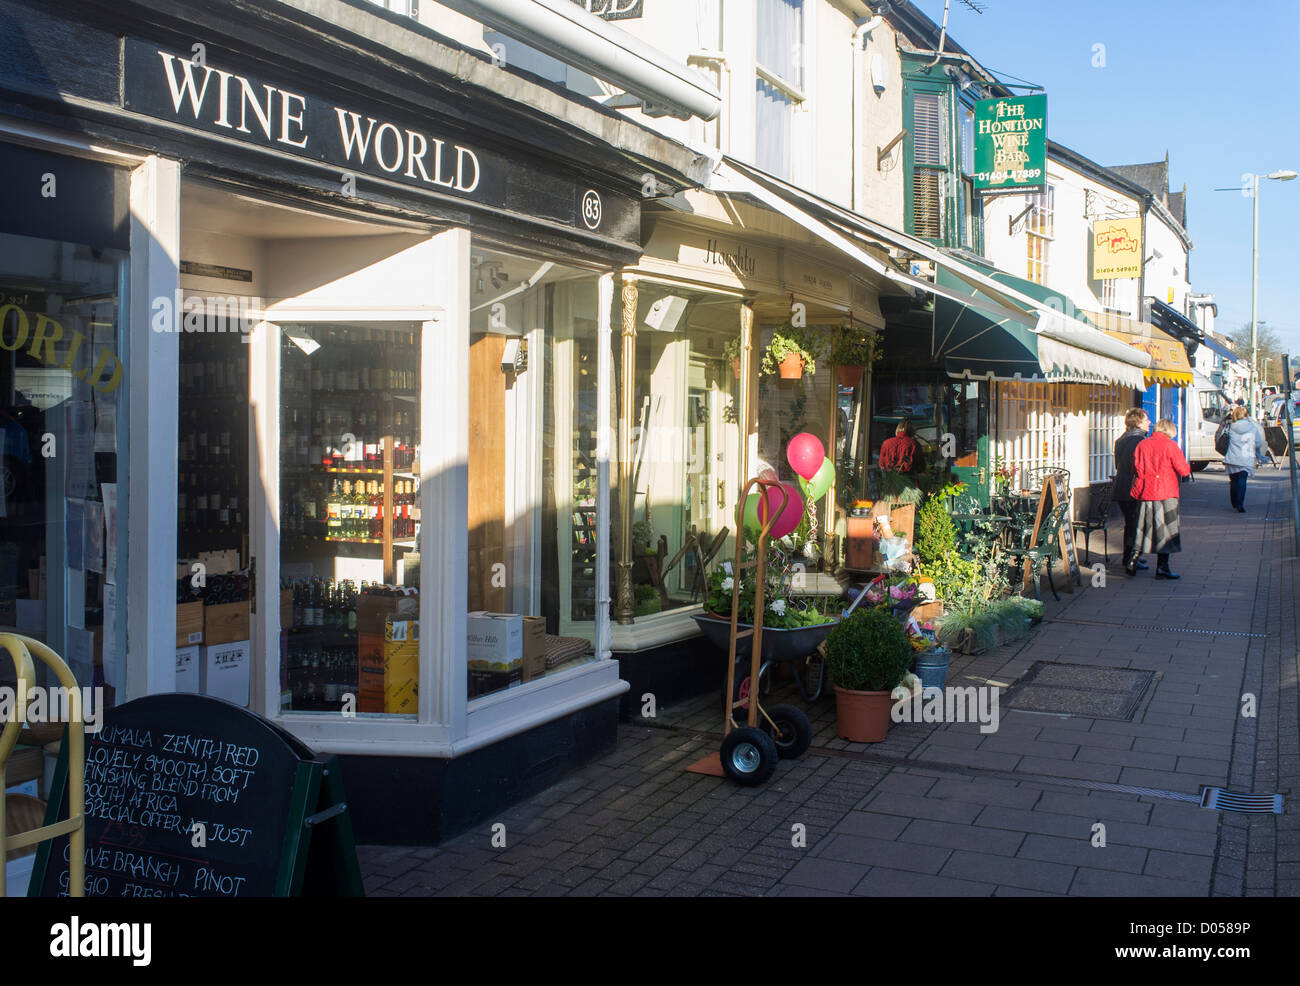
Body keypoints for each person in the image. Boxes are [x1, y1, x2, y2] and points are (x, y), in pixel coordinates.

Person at [1128, 418, 1191, 579]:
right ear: (1170, 430)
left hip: (1145, 492)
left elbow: (1134, 468)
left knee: (1142, 528)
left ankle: (1133, 560)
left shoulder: (1142, 444)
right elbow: (1184, 471)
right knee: (1167, 531)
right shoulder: (1171, 446)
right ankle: (1162, 567)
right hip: (1166, 492)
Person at [1112, 407, 1150, 571]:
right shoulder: (1140, 441)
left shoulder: (1122, 439)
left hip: (1121, 486)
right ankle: (1131, 558)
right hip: (1134, 487)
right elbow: (1138, 466)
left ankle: (1130, 556)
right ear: (1138, 422)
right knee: (1135, 523)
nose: (1150, 422)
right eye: (1146, 419)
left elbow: (1118, 464)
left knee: (1130, 523)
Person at [1221, 405, 1269, 513]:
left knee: (1234, 480)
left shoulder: (1231, 427)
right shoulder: (1252, 428)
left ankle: (1233, 501)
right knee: (1242, 480)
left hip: (1232, 457)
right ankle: (1240, 503)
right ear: (1246, 415)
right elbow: (1258, 443)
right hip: (1246, 458)